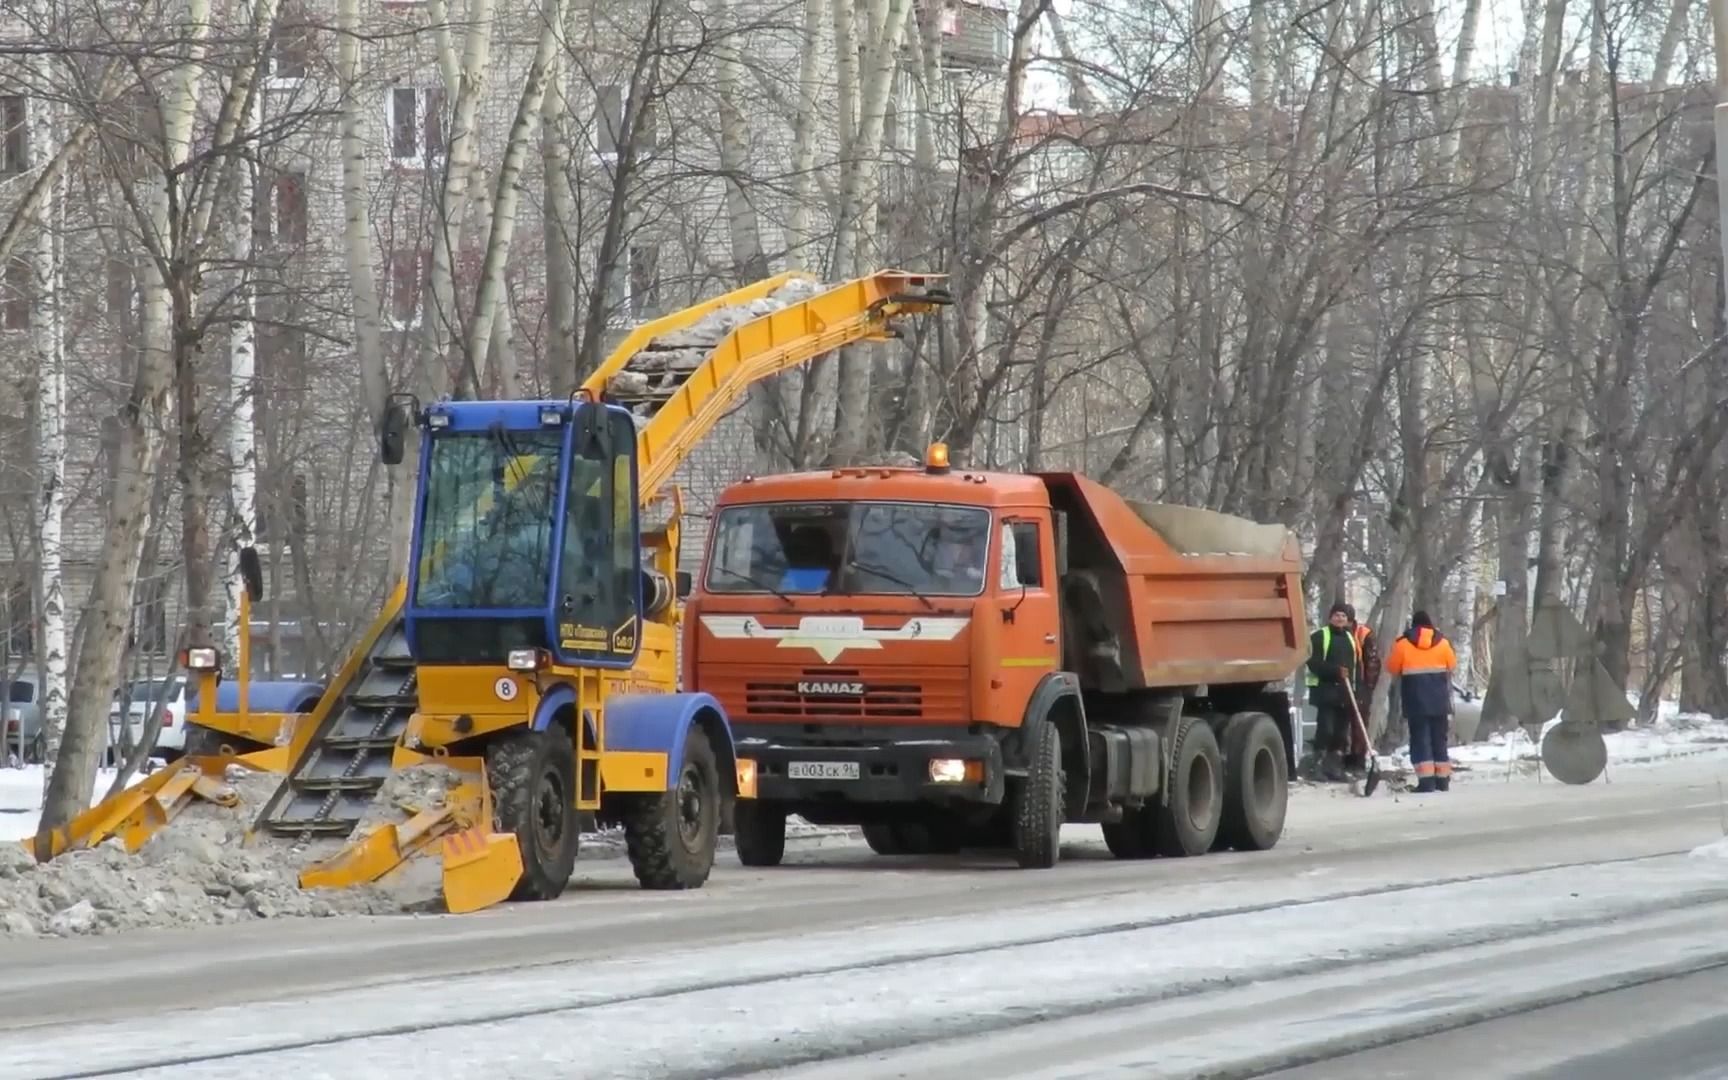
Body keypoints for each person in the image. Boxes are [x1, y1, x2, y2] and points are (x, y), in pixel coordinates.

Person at [1385, 610, 1458, 793]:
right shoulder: (1443, 642)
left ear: (1413, 626)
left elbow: (1392, 667)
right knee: (1439, 740)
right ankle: (1442, 781)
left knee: (1420, 740)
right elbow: (1452, 665)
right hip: (1439, 701)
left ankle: (1426, 782)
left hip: (1415, 700)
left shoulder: (1402, 644)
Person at [1305, 602, 1360, 782]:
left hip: (1345, 694)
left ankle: (1334, 767)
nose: (1340, 618)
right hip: (1325, 693)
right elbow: (1313, 663)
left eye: (1343, 616)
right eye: (1337, 615)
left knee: (1341, 733)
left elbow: (1355, 665)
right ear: (1330, 617)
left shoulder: (1350, 638)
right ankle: (1316, 766)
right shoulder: (1321, 636)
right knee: (1326, 730)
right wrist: (1335, 671)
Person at [1342, 603, 1381, 774]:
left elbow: (1372, 662)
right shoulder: (1333, 634)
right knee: (1340, 724)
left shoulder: (1363, 634)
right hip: (1341, 685)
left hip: (1360, 685)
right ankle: (1342, 756)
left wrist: (1368, 686)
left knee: (1359, 724)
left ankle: (1358, 758)